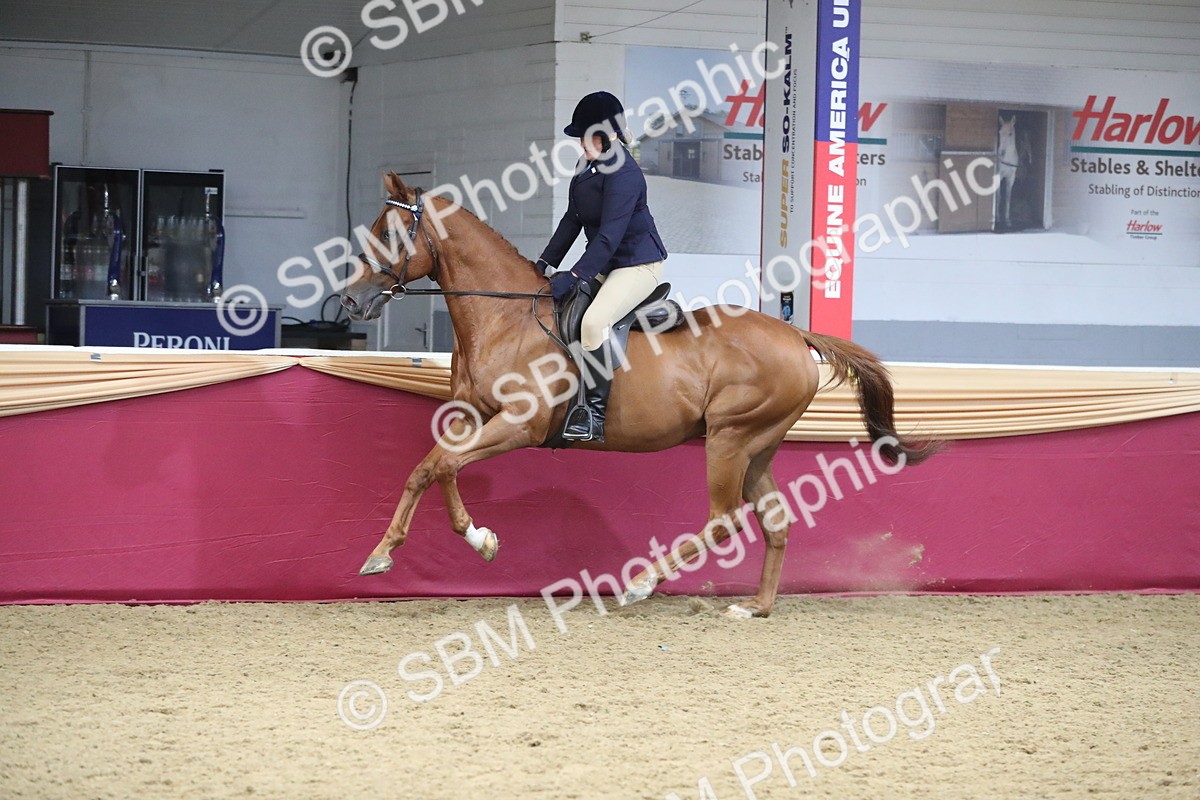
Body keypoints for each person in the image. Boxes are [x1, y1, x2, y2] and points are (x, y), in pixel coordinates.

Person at [537, 90, 668, 443]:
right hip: (605, 261)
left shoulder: (625, 173)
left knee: (594, 323)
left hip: (636, 265)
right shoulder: (586, 166)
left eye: (586, 136)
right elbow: (572, 219)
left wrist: (575, 275)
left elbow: (609, 236)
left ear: (608, 134)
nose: (581, 143)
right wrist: (545, 263)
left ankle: (592, 414)